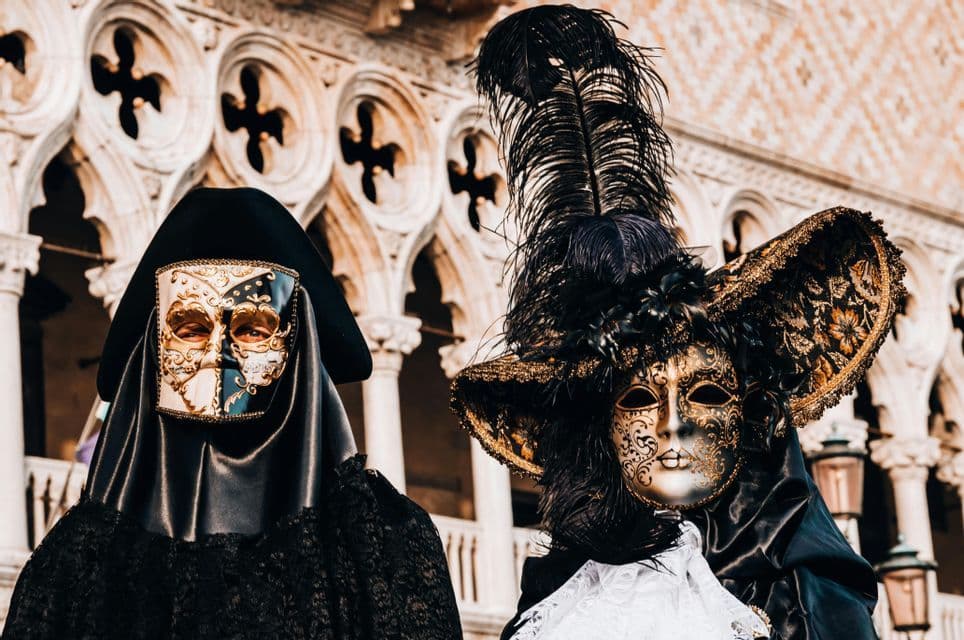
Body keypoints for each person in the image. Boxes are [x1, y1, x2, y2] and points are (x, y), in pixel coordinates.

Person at [449, 6, 899, 639]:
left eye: (707, 391)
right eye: (636, 398)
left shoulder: (809, 606)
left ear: (749, 413)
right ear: (601, 429)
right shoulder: (559, 602)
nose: (673, 425)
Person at [3, 187, 462, 639]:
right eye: (191, 327)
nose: (219, 354)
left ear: (298, 351)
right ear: (153, 351)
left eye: (251, 329)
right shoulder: (73, 566)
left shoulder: (386, 550)